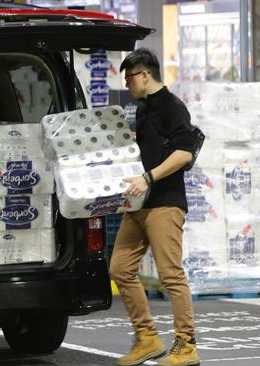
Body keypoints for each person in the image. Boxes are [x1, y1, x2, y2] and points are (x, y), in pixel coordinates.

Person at [110, 48, 200, 366]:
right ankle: (147, 338)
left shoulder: (173, 107)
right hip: (139, 204)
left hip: (165, 203)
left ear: (145, 75)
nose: (127, 83)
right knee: (120, 267)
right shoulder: (143, 109)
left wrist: (148, 178)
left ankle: (186, 345)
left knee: (170, 275)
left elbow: (184, 153)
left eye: (130, 77)